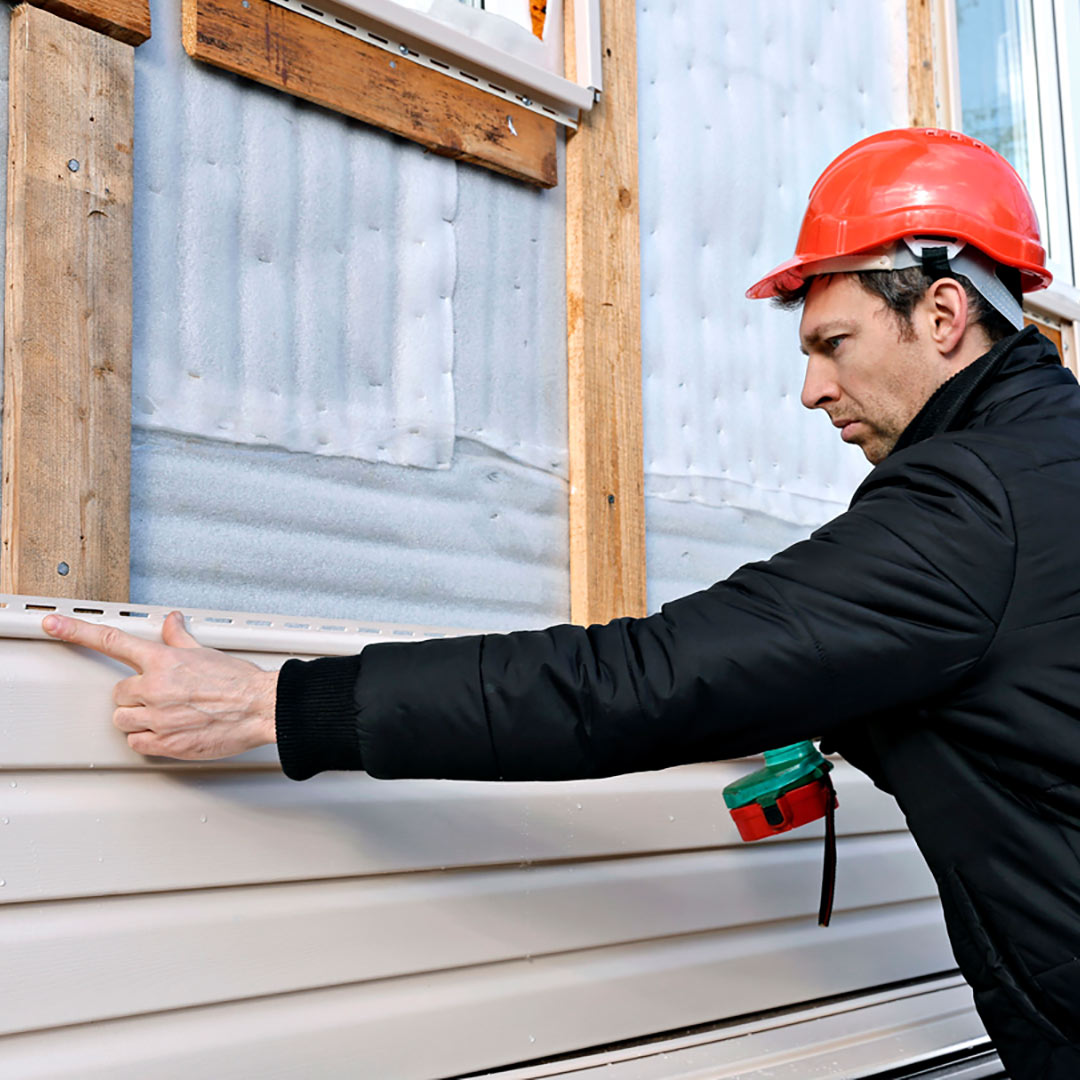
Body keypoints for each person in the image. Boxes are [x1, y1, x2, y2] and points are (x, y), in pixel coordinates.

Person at [42, 128, 1080, 1077]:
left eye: (832, 343)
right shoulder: (1047, 467)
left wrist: (278, 705)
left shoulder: (971, 507)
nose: (810, 390)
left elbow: (640, 680)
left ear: (942, 315)